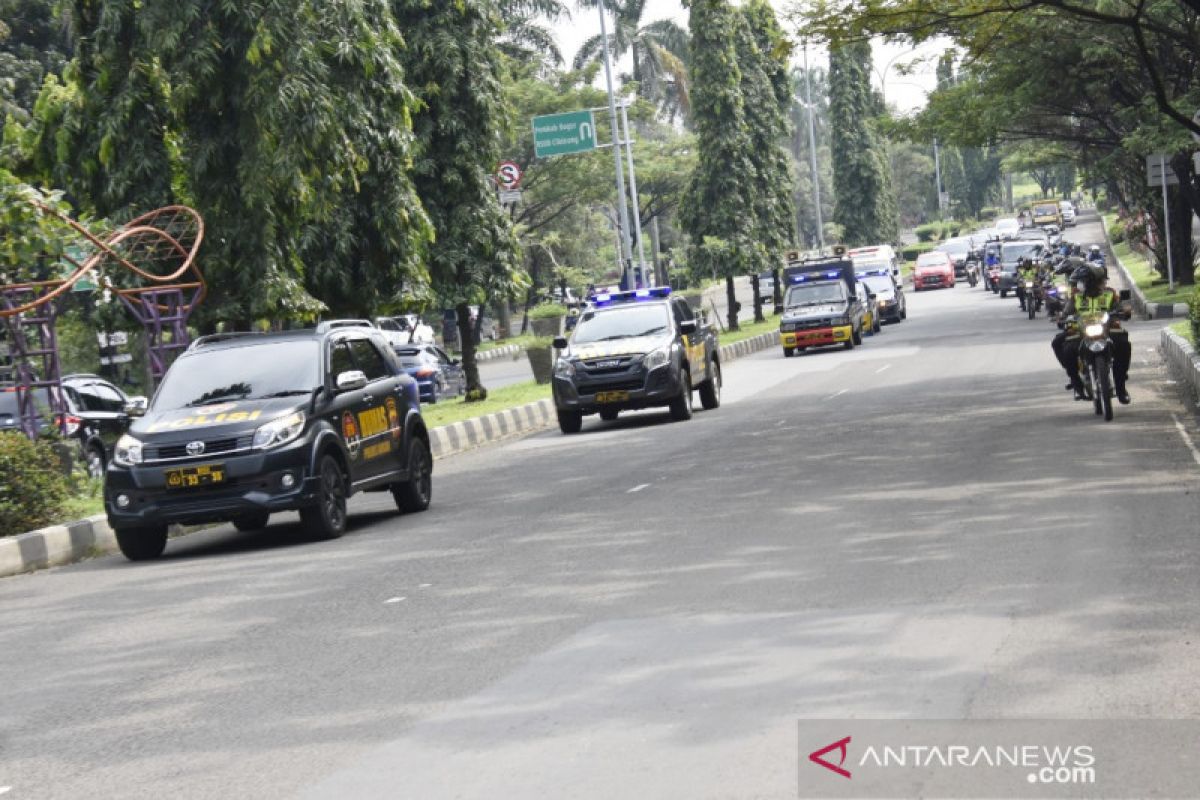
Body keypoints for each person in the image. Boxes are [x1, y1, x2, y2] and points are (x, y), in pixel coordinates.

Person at [1051, 262, 1132, 403]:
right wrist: (1061, 317)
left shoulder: (1110, 293)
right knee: (1063, 346)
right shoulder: (1076, 296)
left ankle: (1121, 387)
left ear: (1091, 282)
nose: (1079, 285)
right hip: (1081, 331)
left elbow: (1120, 308)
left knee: (1124, 345)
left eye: (1082, 282)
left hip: (1106, 329)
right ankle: (1076, 383)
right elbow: (1066, 312)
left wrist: (1124, 312)